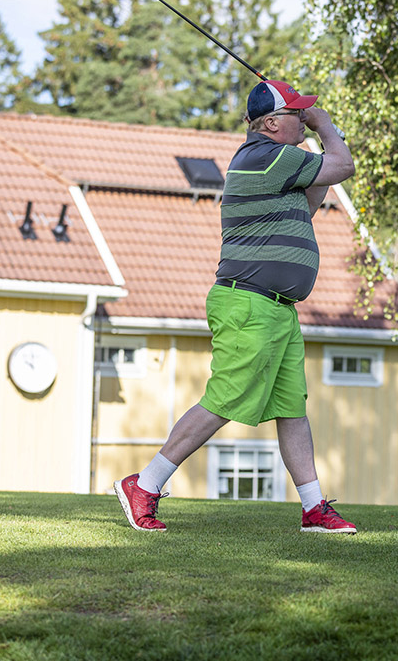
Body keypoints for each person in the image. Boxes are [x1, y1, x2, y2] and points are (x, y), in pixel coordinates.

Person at [115, 80, 356, 534]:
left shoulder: (279, 164)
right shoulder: (266, 157)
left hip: (277, 309)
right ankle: (144, 485)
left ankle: (313, 509)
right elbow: (342, 166)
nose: (304, 120)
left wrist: (320, 141)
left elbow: (313, 198)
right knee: (224, 400)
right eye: (296, 114)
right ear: (272, 123)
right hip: (249, 303)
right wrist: (326, 126)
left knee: (291, 409)